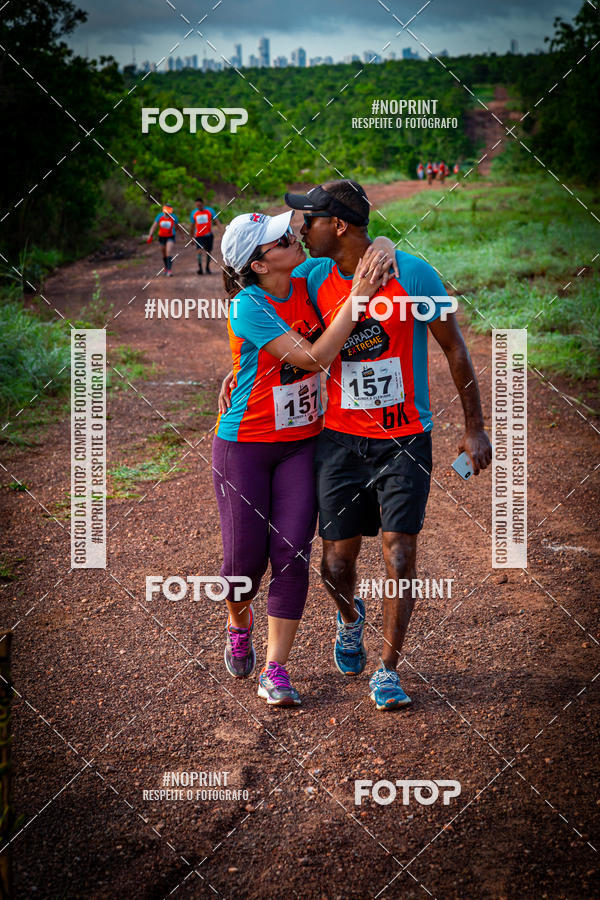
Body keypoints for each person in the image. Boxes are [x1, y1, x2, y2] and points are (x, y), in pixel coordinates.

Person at [280, 180, 492, 710]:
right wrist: (238, 367)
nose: (301, 229)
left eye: (311, 220)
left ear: (340, 226)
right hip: (339, 441)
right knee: (335, 564)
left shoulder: (414, 275)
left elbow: (456, 351)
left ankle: (389, 669)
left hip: (405, 440)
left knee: (400, 554)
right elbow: (251, 291)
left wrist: (474, 427)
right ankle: (351, 617)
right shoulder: (309, 278)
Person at [214, 210, 390, 707]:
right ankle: (237, 620)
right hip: (244, 445)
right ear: (259, 263)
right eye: (281, 240)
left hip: (301, 444)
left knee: (291, 554)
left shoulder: (305, 275)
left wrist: (387, 249)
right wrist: (356, 303)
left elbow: (368, 246)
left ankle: (276, 669)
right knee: (243, 564)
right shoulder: (248, 304)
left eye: (290, 233)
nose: (294, 239)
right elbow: (312, 357)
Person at [147, 204, 179, 276]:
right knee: (164, 253)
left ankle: (169, 270)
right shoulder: (159, 216)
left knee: (168, 251)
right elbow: (154, 226)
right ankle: (166, 267)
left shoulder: (174, 217)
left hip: (170, 236)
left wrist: (181, 235)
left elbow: (177, 227)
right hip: (161, 237)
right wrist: (150, 235)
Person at [190, 197, 219, 275]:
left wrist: (221, 232)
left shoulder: (210, 211)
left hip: (208, 235)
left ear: (203, 204)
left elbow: (216, 221)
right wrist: (191, 237)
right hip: (199, 235)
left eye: (199, 205)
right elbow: (192, 226)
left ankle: (207, 267)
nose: (198, 207)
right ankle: (200, 268)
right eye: (197, 206)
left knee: (208, 252)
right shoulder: (194, 213)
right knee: (199, 251)